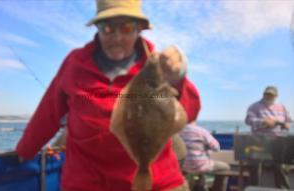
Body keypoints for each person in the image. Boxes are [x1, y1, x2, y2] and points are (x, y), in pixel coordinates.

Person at [16, 0, 201, 190]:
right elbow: (48, 113)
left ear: (140, 29)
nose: (117, 37)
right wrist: (25, 150)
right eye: (107, 28)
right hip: (87, 183)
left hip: (156, 182)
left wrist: (178, 78)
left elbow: (190, 112)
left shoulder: (157, 66)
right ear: (97, 28)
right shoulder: (75, 63)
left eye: (127, 27)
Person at [245, 86, 292, 189]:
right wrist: (263, 122)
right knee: (255, 167)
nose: (268, 96)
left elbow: (289, 121)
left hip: (277, 141)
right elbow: (248, 120)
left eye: (271, 94)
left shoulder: (282, 107)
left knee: (280, 166)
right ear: (263, 94)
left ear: (276, 96)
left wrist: (285, 124)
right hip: (258, 141)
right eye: (267, 94)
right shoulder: (255, 106)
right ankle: (255, 188)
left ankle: (283, 189)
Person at [179, 122, 230, 191]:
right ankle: (216, 188)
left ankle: (197, 186)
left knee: (197, 170)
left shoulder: (177, 132)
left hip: (183, 167)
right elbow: (216, 148)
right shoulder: (201, 131)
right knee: (226, 167)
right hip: (200, 165)